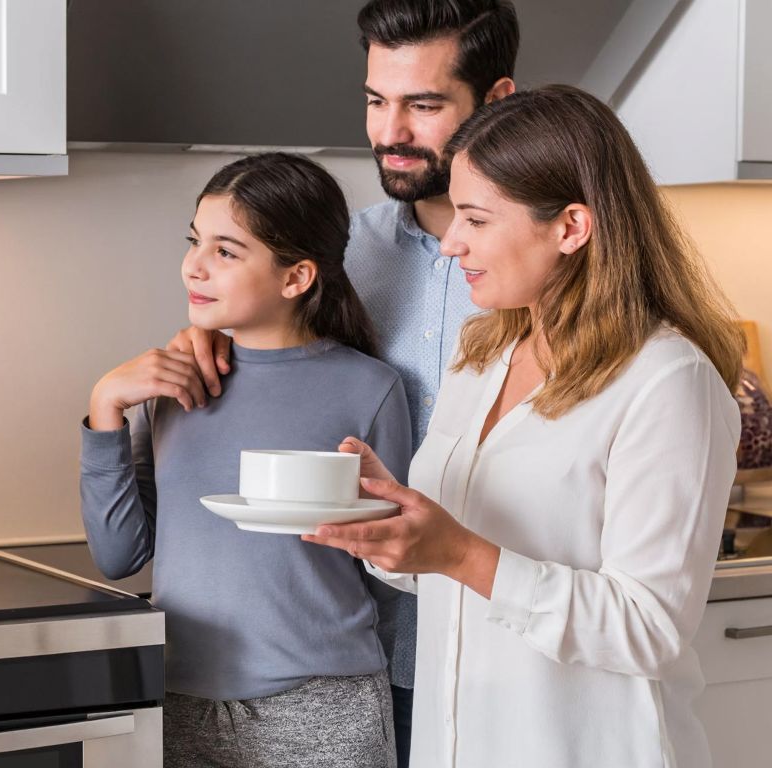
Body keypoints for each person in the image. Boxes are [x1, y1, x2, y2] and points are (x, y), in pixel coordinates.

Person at [306, 85, 743, 768]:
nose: (450, 243)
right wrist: (390, 520)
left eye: (476, 219)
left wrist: (458, 552)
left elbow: (649, 628)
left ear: (571, 227)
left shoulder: (666, 380)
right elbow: (457, 575)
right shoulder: (482, 354)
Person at [170, 3, 519, 763]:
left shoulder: (539, 265)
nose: (390, 131)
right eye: (375, 100)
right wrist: (204, 344)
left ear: (496, 102)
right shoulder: (343, 253)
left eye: (423, 105)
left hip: (505, 654)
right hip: (358, 669)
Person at [80, 153, 410, 767]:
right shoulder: (173, 385)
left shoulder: (370, 389)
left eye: (226, 251)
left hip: (323, 706)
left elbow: (390, 570)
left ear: (297, 277)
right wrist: (105, 407)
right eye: (194, 241)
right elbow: (118, 556)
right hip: (179, 700)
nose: (195, 265)